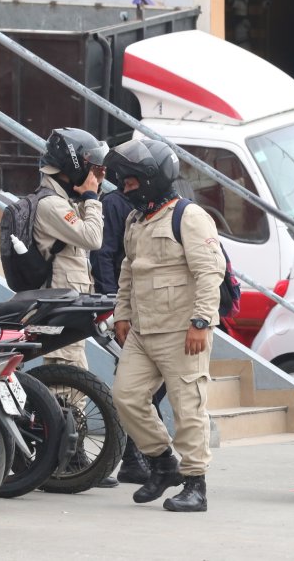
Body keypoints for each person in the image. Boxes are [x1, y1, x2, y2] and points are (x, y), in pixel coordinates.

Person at [108, 138, 226, 513]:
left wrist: (201, 322)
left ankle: (196, 485)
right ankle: (162, 463)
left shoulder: (188, 217)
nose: (126, 190)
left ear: (152, 178)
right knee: (125, 397)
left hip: (182, 332)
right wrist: (121, 314)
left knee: (188, 408)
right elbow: (128, 269)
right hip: (143, 332)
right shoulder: (135, 220)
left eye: (130, 182)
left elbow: (211, 271)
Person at [36, 127, 116, 487]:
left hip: (72, 301)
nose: (96, 175)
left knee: (68, 378)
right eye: (91, 166)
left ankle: (66, 452)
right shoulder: (50, 205)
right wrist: (93, 197)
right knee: (69, 376)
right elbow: (92, 238)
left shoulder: (62, 201)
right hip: (59, 304)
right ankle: (68, 455)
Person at [91, 185, 155, 486]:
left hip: (153, 309)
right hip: (126, 309)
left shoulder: (160, 203)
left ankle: (140, 452)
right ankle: (132, 455)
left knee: (154, 384)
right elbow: (104, 255)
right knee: (132, 384)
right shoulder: (115, 204)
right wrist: (113, 309)